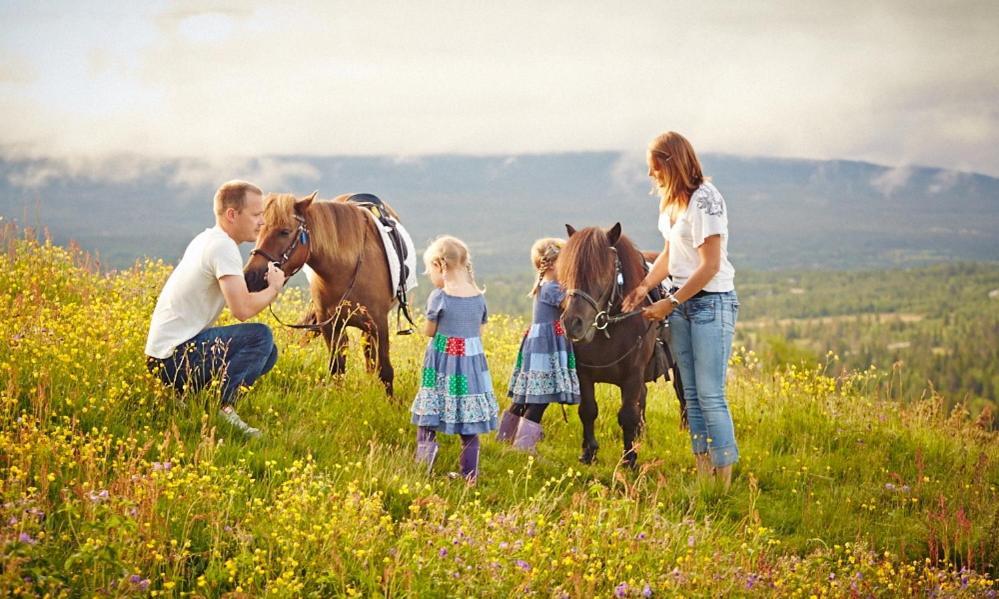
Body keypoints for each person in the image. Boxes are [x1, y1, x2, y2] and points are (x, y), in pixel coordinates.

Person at [622, 131, 740, 489]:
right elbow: (672, 254)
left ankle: (723, 482)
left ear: (671, 163)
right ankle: (704, 474)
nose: (649, 175)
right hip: (682, 305)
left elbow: (709, 266)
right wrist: (643, 287)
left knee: (710, 395)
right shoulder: (671, 203)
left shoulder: (706, 200)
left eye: (653, 167)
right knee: (690, 393)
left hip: (710, 303)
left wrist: (670, 302)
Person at [145, 180, 287, 438]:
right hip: (173, 358)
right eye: (256, 215)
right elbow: (242, 309)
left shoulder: (208, 239)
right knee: (260, 337)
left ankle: (190, 398)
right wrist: (274, 288)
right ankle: (225, 409)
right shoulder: (222, 247)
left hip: (163, 356)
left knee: (269, 352)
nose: (262, 222)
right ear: (232, 215)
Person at [411, 235, 499, 484]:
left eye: (430, 271)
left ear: (440, 266)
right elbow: (479, 332)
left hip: (441, 366)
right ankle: (469, 475)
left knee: (429, 415)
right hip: (470, 369)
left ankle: (422, 469)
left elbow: (430, 330)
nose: (431, 276)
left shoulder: (440, 297)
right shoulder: (479, 297)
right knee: (468, 424)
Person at [498, 238, 580, 451]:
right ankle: (524, 446)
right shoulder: (553, 289)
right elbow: (572, 307)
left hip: (538, 346)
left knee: (525, 396)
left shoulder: (544, 285)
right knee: (539, 399)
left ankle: (504, 437)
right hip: (546, 348)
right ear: (553, 264)